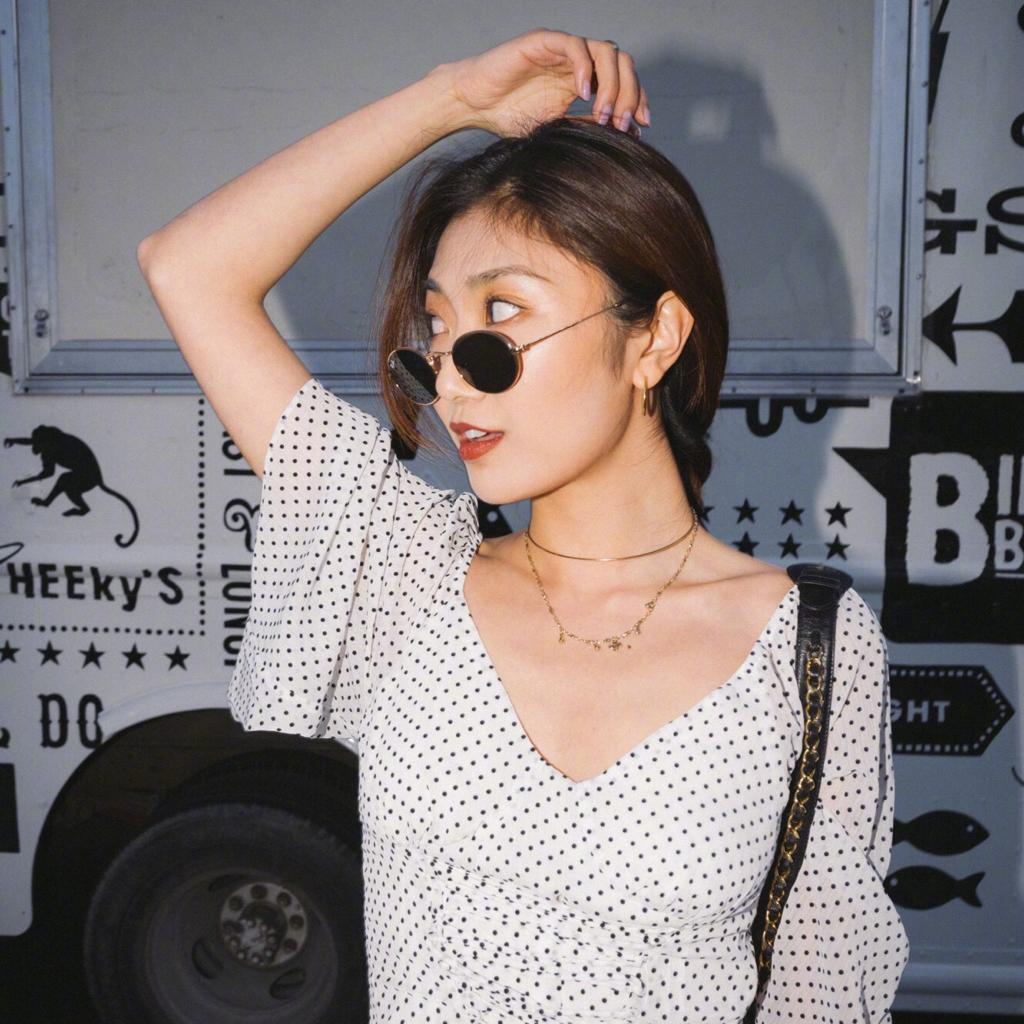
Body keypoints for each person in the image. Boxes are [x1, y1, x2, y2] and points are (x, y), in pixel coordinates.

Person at [138, 28, 909, 1023]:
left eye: (501, 315)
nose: (453, 378)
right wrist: (451, 100)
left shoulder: (809, 646)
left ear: (655, 339)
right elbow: (188, 266)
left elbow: (821, 989)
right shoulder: (406, 572)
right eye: (437, 329)